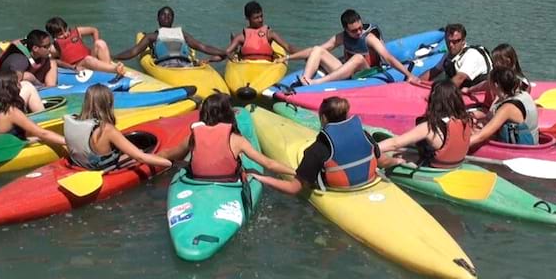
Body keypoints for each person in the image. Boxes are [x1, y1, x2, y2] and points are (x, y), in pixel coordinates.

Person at [252, 96, 403, 195]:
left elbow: (293, 189)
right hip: (369, 182)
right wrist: (397, 161)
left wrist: (260, 178)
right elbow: (382, 161)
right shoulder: (364, 135)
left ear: (323, 117)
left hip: (336, 190)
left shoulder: (317, 150)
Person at [159, 93, 290, 181]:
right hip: (228, 181)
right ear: (229, 114)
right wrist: (296, 173)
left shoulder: (193, 136)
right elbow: (269, 164)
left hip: (198, 181)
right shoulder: (237, 140)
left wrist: (144, 159)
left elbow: (170, 154)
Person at [280, 9, 420, 86]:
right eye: (354, 30)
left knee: (358, 58)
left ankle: (317, 82)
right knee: (318, 49)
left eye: (360, 28)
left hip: (367, 72)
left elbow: (388, 58)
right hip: (347, 71)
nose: (359, 32)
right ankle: (306, 79)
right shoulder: (341, 37)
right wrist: (287, 57)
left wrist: (409, 75)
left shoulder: (369, 38)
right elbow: (314, 51)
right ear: (345, 29)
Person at [64, 85, 173, 171]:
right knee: (140, 151)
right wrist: (170, 164)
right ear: (108, 104)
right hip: (105, 170)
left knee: (127, 154)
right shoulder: (107, 129)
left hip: (82, 165)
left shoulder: (76, 121)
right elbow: (140, 157)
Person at [378, 80, 473, 169]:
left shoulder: (429, 127)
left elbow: (395, 144)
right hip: (455, 165)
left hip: (434, 169)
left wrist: (374, 148)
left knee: (396, 154)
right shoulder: (466, 120)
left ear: (434, 100)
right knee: (406, 151)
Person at [0, 71, 65, 146]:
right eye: (17, 83)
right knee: (46, 137)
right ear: (11, 88)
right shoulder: (12, 112)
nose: (20, 86)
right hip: (12, 150)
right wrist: (69, 143)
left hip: (1, 145)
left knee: (40, 138)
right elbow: (43, 133)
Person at [114, 6, 227, 67]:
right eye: (163, 15)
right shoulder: (152, 36)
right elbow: (133, 52)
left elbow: (203, 47)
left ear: (173, 19)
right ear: (158, 19)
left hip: (184, 64)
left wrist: (224, 52)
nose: (166, 17)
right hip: (166, 65)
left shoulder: (182, 34)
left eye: (169, 15)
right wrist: (115, 57)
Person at [470, 68, 539, 146]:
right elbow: (491, 118)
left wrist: (459, 146)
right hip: (533, 143)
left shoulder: (507, 108)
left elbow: (481, 136)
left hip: (522, 150)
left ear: (495, 85)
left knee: (473, 132)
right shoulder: (524, 94)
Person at [45, 17, 126, 76]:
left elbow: (94, 30)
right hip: (79, 65)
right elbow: (53, 61)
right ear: (53, 36)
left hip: (91, 58)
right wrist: (72, 67)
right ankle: (114, 69)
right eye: (60, 34)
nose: (65, 35)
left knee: (100, 43)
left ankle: (107, 69)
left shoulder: (77, 31)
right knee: (88, 59)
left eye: (65, 30)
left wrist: (95, 43)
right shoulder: (53, 48)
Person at [421, 23, 492, 89]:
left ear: (463, 41)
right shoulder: (449, 55)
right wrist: (417, 82)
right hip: (459, 90)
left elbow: (460, 78)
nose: (451, 45)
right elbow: (434, 71)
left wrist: (440, 93)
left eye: (455, 42)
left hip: (478, 94)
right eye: (448, 41)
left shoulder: (472, 55)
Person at [225, 1, 297, 61]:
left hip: (266, 66)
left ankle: (236, 48)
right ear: (247, 18)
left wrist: (303, 54)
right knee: (235, 49)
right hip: (246, 66)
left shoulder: (269, 33)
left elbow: (287, 47)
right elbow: (227, 52)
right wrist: (234, 60)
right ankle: (236, 50)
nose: (260, 20)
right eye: (256, 18)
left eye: (261, 16)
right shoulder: (241, 37)